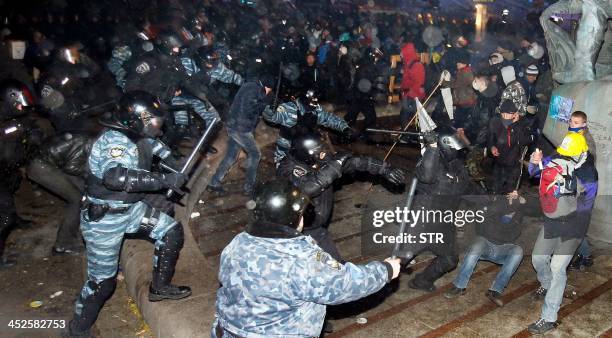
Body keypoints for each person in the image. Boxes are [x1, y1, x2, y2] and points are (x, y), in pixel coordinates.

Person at [67, 91, 192, 337]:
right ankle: (76, 330)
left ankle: (159, 287)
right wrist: (163, 179)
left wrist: (176, 166)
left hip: (131, 209)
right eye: (154, 122)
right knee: (103, 284)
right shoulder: (115, 142)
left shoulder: (140, 135)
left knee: (171, 231)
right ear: (136, 120)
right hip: (106, 219)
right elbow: (116, 177)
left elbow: (159, 150)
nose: (159, 126)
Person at [211, 179, 401, 337]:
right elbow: (345, 284)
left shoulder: (238, 242)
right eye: (300, 214)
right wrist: (385, 270)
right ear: (291, 219)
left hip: (228, 331)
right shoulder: (301, 259)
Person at [278, 127, 405, 261]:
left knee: (338, 267)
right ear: (306, 154)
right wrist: (335, 164)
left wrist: (384, 168)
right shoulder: (288, 169)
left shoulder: (320, 161)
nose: (324, 154)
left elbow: (355, 162)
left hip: (317, 229)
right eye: (320, 152)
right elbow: (308, 187)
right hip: (297, 232)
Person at [527, 132, 598, 334]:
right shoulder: (561, 156)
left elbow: (587, 205)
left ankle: (548, 317)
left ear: (581, 152)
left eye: (569, 154)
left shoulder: (589, 173)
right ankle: (548, 285)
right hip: (552, 221)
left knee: (558, 268)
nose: (564, 156)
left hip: (573, 226)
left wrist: (570, 191)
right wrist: (534, 162)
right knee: (538, 259)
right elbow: (535, 173)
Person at [397, 126, 481, 292]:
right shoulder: (431, 161)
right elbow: (426, 175)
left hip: (444, 224)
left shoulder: (458, 167)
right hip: (421, 222)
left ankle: (421, 281)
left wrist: (494, 199)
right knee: (399, 261)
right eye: (454, 145)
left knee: (449, 260)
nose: (458, 150)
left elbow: (470, 190)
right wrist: (432, 147)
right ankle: (372, 289)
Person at [444, 195, 525, 307]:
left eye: (515, 202)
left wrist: (519, 205)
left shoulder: (518, 214)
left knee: (518, 251)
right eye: (510, 201)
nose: (511, 206)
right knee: (477, 246)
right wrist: (500, 209)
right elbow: (484, 226)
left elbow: (514, 235)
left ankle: (495, 290)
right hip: (485, 244)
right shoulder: (493, 206)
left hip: (503, 248)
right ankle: (459, 286)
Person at [206, 75, 274, 196]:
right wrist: (262, 104)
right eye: (270, 90)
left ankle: (213, 183)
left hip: (234, 125)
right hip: (240, 128)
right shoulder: (254, 90)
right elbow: (248, 110)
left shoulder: (251, 87)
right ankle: (249, 187)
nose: (269, 92)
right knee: (255, 154)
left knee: (231, 157)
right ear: (267, 87)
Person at [0, 79, 42, 268]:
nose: (22, 106)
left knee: (11, 189)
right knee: (5, 212)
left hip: (6, 169)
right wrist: (16, 130)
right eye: (19, 102)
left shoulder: (14, 116)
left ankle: (13, 219)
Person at [27, 133, 92, 255]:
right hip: (41, 166)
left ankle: (77, 228)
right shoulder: (88, 144)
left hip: (50, 162)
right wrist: (91, 175)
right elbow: (72, 168)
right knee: (76, 200)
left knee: (84, 190)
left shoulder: (88, 138)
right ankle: (62, 245)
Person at [263, 88, 352, 166]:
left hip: (306, 145)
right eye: (313, 100)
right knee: (285, 171)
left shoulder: (315, 110)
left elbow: (328, 118)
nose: (315, 102)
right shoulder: (290, 109)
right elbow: (273, 118)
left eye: (316, 100)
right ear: (305, 99)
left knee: (323, 160)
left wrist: (344, 127)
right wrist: (271, 109)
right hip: (288, 149)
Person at [565, 111, 596, 271]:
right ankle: (582, 254)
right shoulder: (575, 135)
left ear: (584, 124)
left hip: (586, 186)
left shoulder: (584, 140)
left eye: (576, 122)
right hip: (578, 184)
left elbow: (577, 161)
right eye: (571, 121)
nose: (572, 124)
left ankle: (586, 256)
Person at [487, 100, 535, 195]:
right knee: (495, 186)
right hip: (498, 160)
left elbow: (527, 140)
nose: (505, 117)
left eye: (508, 114)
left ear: (515, 114)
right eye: (503, 114)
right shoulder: (495, 121)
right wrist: (492, 147)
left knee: (511, 189)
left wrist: (515, 125)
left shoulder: (523, 123)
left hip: (514, 162)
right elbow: (490, 138)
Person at [399, 42, 425, 128]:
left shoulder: (416, 65)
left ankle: (408, 136)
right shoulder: (408, 63)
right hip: (409, 94)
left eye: (402, 52)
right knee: (408, 115)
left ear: (407, 52)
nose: (400, 54)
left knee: (410, 115)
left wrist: (410, 94)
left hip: (413, 96)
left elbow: (418, 82)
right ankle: (407, 135)